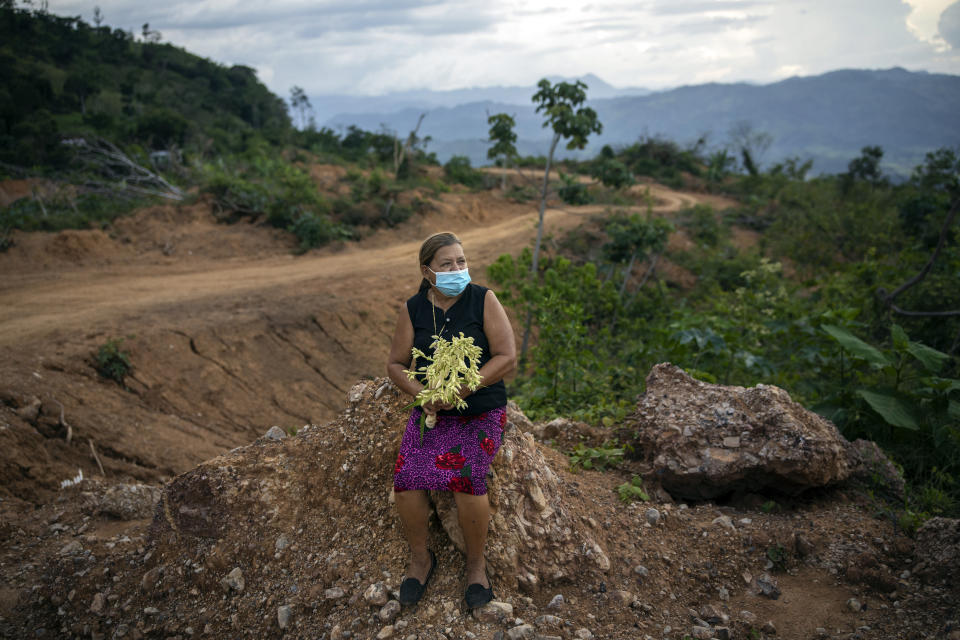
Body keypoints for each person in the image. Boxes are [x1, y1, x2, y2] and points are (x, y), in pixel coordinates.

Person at [387, 231, 517, 609]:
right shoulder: (414, 308)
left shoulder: (483, 299)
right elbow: (396, 365)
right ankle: (420, 559)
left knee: (467, 479)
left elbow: (506, 357)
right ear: (428, 272)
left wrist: (460, 390)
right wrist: (424, 396)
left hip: (480, 407)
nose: (458, 269)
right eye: (448, 264)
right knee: (407, 478)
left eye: (461, 261)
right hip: (432, 410)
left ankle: (476, 566)